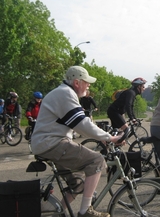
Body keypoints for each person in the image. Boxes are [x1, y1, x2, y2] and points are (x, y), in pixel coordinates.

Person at [31, 66, 124, 217]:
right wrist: (108, 137)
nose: (89, 85)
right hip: (51, 143)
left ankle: (57, 213)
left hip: (47, 143)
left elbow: (81, 122)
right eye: (86, 82)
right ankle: (85, 211)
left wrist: (102, 136)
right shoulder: (65, 93)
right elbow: (81, 124)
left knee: (78, 184)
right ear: (76, 82)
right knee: (97, 160)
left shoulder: (64, 93)